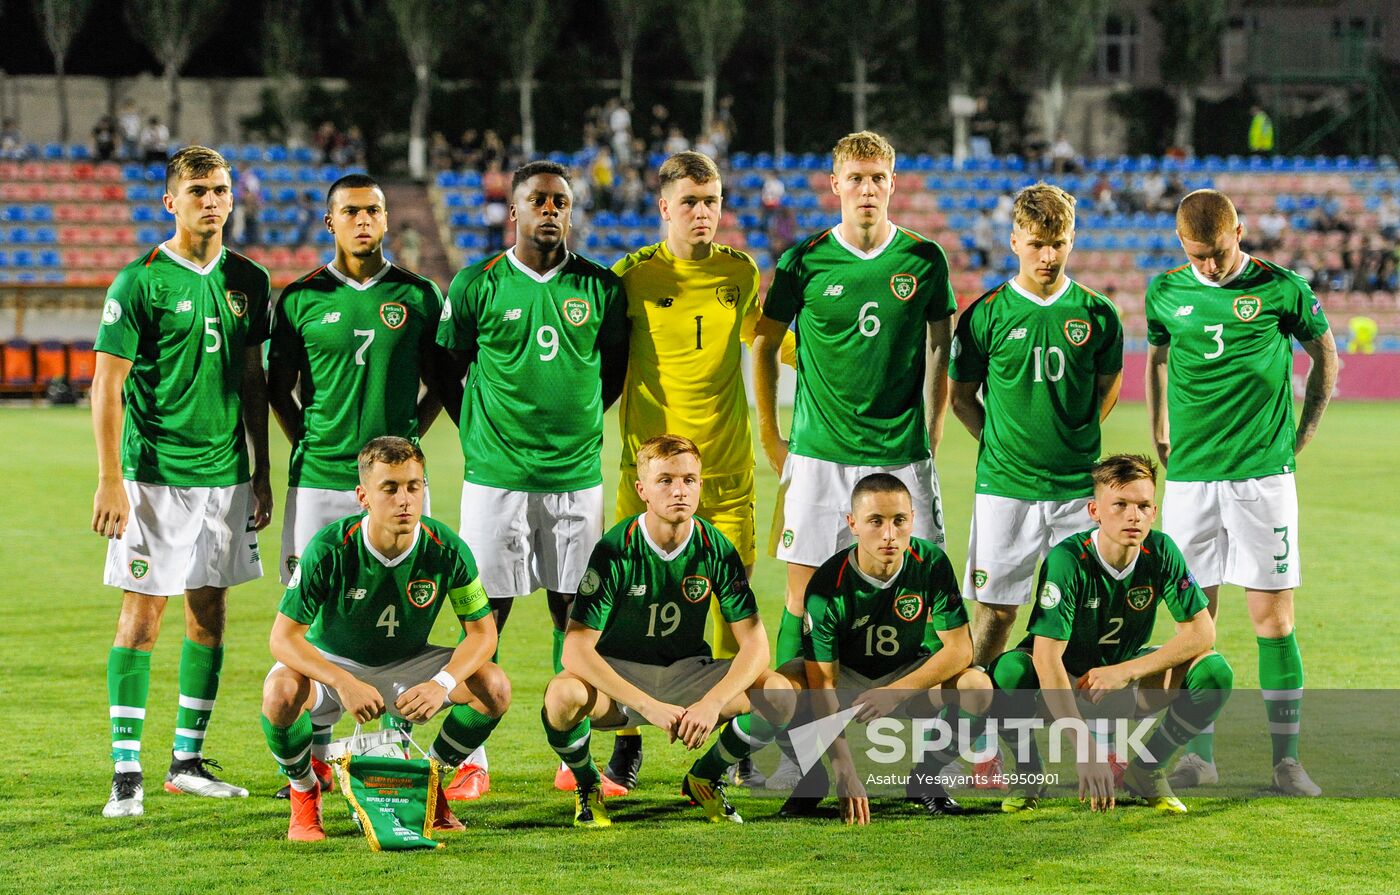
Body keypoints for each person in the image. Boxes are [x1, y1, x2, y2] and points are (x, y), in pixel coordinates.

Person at [751, 132, 956, 791]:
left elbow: (941, 347)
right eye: (856, 178)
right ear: (835, 185)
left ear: (894, 183)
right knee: (801, 598)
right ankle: (799, 753)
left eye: (879, 178)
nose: (868, 189)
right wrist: (770, 431)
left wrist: (931, 427)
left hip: (902, 458)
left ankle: (927, 759)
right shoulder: (804, 260)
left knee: (922, 603)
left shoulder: (924, 260)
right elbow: (763, 344)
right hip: (819, 458)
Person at [90, 146, 273, 818]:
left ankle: (186, 761)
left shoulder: (250, 279)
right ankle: (126, 772)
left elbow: (252, 381)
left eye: (221, 189)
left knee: (209, 612)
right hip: (156, 477)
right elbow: (106, 386)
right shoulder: (139, 281)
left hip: (226, 477)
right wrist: (111, 478)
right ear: (171, 201)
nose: (212, 201)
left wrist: (261, 471)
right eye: (198, 190)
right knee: (142, 618)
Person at [604, 151, 796, 791]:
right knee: (631, 610)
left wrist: (830, 348)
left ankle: (733, 744)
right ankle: (627, 740)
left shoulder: (739, 272)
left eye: (711, 199)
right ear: (664, 207)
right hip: (649, 472)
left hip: (727, 469)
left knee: (731, 606)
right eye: (689, 201)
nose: (703, 212)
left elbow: (765, 339)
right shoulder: (628, 276)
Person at [436, 160, 628, 793]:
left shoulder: (601, 287)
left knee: (573, 613)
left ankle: (571, 759)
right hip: (496, 479)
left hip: (575, 478)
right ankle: (469, 761)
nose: (551, 210)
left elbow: (613, 373)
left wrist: (574, 427)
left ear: (571, 211)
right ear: (513, 211)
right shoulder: (476, 283)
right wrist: (477, 431)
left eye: (561, 201)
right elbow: (446, 367)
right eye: (538, 200)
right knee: (485, 614)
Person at [1145, 189, 1337, 795]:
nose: (1208, 266)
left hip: (1262, 478)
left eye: (1218, 252)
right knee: (1193, 623)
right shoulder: (1165, 292)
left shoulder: (1283, 289)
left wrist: (1303, 431)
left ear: (1240, 231)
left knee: (1274, 621)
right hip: (1192, 481)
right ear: (1182, 246)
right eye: (1197, 256)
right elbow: (1155, 356)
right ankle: (1198, 756)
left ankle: (1286, 761)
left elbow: (1325, 356)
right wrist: (1159, 430)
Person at [260, 437, 509, 841]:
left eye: (414, 486)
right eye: (390, 489)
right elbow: (283, 639)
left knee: (493, 686)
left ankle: (428, 787)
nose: (405, 500)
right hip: (334, 665)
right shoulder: (330, 549)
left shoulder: (446, 548)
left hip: (409, 664)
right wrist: (342, 681)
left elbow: (483, 634)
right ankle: (304, 793)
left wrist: (440, 683)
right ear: (363, 496)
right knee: (280, 694)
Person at [540, 435, 793, 827]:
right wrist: (646, 705)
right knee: (562, 695)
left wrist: (712, 702)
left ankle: (704, 780)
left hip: (687, 673)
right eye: (666, 480)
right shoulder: (616, 549)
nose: (680, 490)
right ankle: (588, 784)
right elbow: (574, 651)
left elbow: (756, 646)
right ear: (642, 490)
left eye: (690, 480)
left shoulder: (716, 547)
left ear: (701, 485)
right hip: (622, 679)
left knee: (778, 694)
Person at [987, 454, 1233, 815]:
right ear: (1094, 511)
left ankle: (1146, 770)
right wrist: (1086, 751)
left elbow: (1201, 632)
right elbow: (1046, 657)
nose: (1133, 515)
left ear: (1154, 510)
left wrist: (1126, 671)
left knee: (1214, 673)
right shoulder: (1068, 559)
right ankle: (1029, 775)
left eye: (1143, 505)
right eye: (1120, 504)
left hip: (1120, 680)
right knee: (1010, 672)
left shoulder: (1161, 550)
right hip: (1064, 684)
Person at [949, 182, 1123, 674]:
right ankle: (973, 729)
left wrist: (1072, 434)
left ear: (1072, 240)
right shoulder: (985, 314)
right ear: (1014, 242)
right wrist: (1005, 443)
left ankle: (1083, 733)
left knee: (1085, 616)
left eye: (1059, 243)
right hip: (1006, 488)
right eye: (1037, 244)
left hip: (1078, 488)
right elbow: (961, 399)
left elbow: (1106, 390)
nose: (1048, 255)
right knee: (997, 614)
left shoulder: (1098, 314)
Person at [777, 474, 993, 824]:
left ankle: (927, 777)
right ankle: (812, 779)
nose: (889, 534)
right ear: (853, 525)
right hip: (845, 678)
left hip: (903, 677)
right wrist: (844, 769)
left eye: (899, 521)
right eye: (875, 521)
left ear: (913, 520)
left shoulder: (932, 563)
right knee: (780, 690)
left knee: (977, 687)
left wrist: (894, 693)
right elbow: (823, 685)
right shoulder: (827, 584)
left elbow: (960, 650)